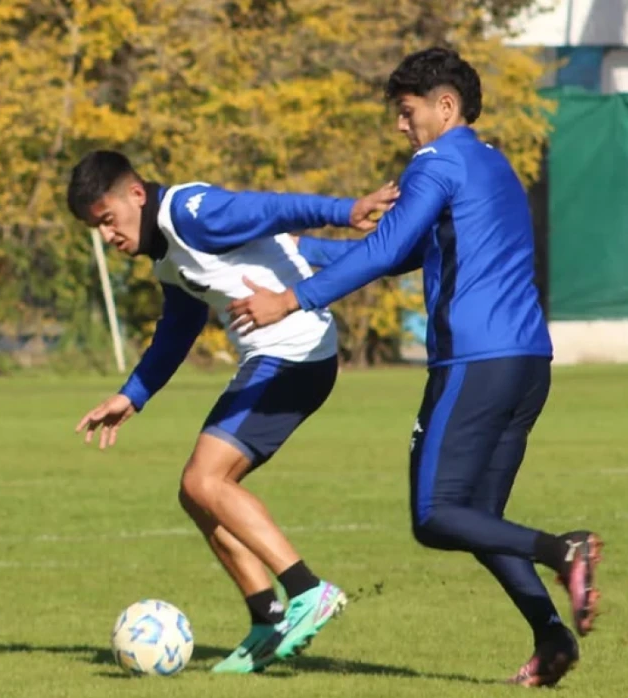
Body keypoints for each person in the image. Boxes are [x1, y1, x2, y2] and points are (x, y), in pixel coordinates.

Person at [227, 47, 603, 687]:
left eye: (407, 113)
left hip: (473, 362)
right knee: (480, 518)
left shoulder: (436, 159)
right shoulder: (493, 164)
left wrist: (287, 299)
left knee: (434, 515)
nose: (402, 127)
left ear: (445, 106)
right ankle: (552, 638)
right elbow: (413, 248)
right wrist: (300, 249)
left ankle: (564, 549)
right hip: (528, 362)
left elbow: (388, 247)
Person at [65, 150, 397, 673]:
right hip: (276, 359)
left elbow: (267, 208)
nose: (107, 237)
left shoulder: (188, 212)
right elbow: (178, 328)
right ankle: (266, 616)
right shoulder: (165, 251)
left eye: (107, 221)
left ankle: (308, 590)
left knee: (205, 480)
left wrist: (345, 209)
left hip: (294, 353)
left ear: (135, 195)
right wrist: (132, 394)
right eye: (96, 229)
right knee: (196, 493)